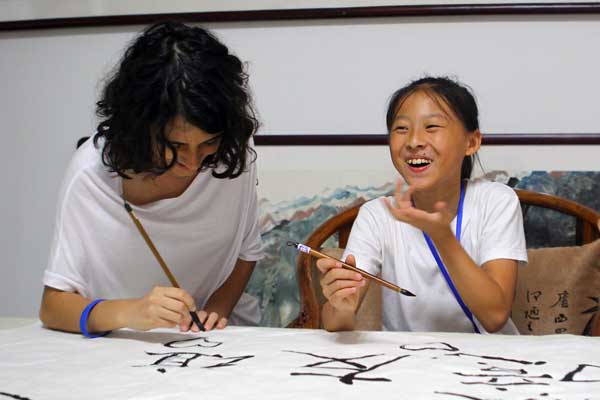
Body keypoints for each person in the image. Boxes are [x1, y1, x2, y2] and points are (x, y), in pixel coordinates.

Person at [39, 21, 263, 336]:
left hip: (218, 341)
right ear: (140, 127)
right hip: (126, 349)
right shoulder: (91, 176)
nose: (192, 162)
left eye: (207, 143)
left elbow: (246, 251)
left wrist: (215, 310)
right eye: (175, 147)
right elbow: (53, 307)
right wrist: (129, 311)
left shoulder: (230, 153)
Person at [317, 76, 527, 334]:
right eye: (401, 129)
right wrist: (342, 306)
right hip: (410, 366)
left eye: (432, 127)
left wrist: (441, 236)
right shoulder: (376, 215)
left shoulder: (496, 201)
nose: (414, 141)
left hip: (488, 367)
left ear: (471, 142)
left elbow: (495, 316)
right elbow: (336, 323)